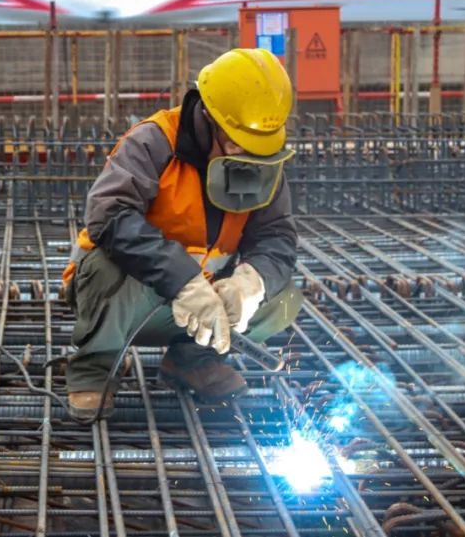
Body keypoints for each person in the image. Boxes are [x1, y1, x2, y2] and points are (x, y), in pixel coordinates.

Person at [62, 48, 303, 417]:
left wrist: (250, 283)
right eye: (238, 141)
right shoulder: (154, 142)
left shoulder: (261, 154)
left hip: (205, 310)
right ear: (208, 116)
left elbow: (277, 234)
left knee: (282, 295)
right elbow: (108, 214)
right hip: (128, 301)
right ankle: (96, 368)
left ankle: (192, 362)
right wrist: (184, 282)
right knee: (106, 267)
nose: (249, 154)